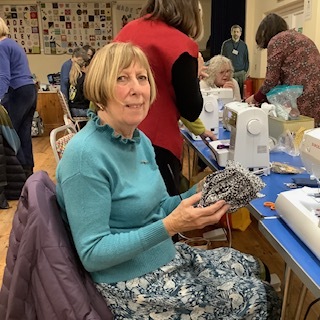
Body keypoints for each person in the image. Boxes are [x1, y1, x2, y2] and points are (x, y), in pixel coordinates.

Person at [56, 41, 281, 319]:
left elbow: (161, 206)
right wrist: (170, 226)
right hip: (128, 283)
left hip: (162, 257)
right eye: (121, 78)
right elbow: (93, 253)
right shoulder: (85, 156)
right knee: (261, 298)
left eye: (142, 78)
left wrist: (200, 193)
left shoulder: (139, 141)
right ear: (100, 87)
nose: (136, 88)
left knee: (254, 267)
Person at [114, 0, 206, 196]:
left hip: (115, 136)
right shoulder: (181, 44)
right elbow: (191, 109)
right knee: (162, 211)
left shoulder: (126, 32)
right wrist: (195, 73)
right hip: (157, 145)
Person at [245, 13, 320, 127]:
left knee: (297, 131)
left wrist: (255, 98)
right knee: (312, 132)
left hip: (301, 93)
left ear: (265, 32)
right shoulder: (301, 37)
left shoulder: (277, 41)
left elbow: (271, 81)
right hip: (316, 91)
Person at [0, 17, 37, 178]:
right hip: (29, 90)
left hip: (17, 91)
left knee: (10, 134)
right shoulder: (12, 43)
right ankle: (28, 172)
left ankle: (19, 174)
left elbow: (3, 75)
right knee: (24, 133)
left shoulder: (1, 46)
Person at [221, 24, 249, 98]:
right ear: (231, 33)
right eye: (234, 32)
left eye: (237, 32)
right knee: (230, 91)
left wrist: (245, 71)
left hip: (241, 73)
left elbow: (246, 59)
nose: (236, 33)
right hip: (230, 72)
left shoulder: (244, 45)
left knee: (240, 92)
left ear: (240, 33)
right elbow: (222, 58)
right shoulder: (226, 44)